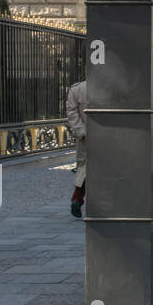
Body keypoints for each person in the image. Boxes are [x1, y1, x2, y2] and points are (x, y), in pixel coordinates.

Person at [65, 79, 87, 218]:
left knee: (84, 167)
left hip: (85, 137)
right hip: (106, 135)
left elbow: (71, 111)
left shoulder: (77, 89)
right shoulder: (109, 87)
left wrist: (81, 130)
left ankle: (77, 199)